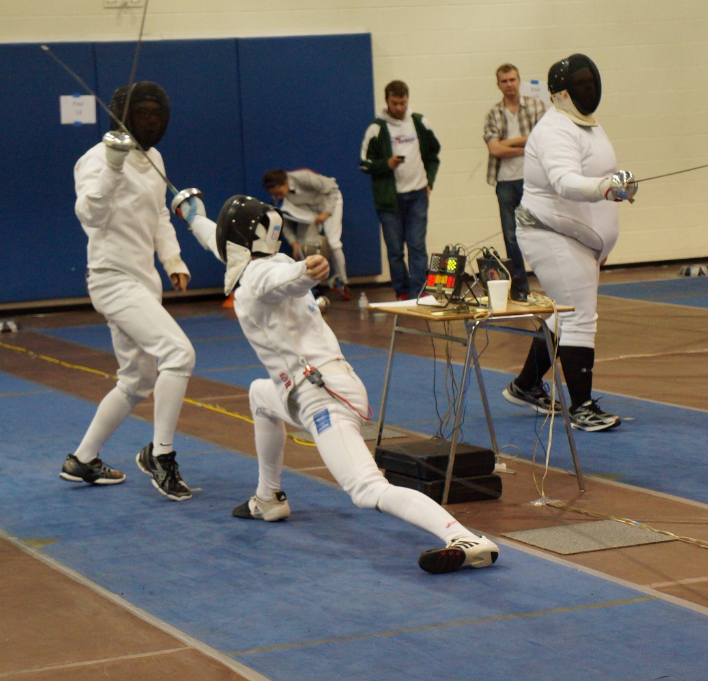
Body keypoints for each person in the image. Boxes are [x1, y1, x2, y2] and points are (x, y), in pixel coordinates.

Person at [172, 192, 499, 574]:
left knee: (366, 489)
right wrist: (193, 215)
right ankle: (268, 498)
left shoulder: (264, 274)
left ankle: (464, 537)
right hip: (305, 388)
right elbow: (219, 239)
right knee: (260, 395)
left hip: (323, 396)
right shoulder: (254, 262)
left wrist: (306, 271)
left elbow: (281, 280)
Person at [58, 81, 196, 500]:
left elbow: (158, 213)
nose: (152, 122)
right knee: (179, 353)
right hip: (111, 278)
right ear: (122, 116)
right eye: (143, 114)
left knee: (137, 380)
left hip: (143, 280)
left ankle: (82, 460)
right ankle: (161, 455)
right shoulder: (95, 159)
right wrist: (113, 168)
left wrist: (172, 259)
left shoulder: (154, 157)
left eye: (157, 115)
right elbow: (90, 216)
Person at [501, 54, 637, 432]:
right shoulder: (554, 129)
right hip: (551, 234)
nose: (588, 90)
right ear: (561, 94)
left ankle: (526, 385)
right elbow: (565, 182)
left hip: (575, 239)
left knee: (560, 317)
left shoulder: (586, 126)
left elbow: (598, 174)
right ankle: (582, 407)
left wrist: (617, 185)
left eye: (590, 83)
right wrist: (604, 188)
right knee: (578, 316)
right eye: (580, 85)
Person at [359, 81, 440, 301]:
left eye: (403, 102)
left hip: (417, 194)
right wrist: (387, 164)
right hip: (389, 199)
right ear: (387, 101)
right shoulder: (376, 129)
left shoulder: (420, 122)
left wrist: (429, 181)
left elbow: (434, 154)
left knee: (417, 246)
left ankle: (419, 292)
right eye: (395, 103)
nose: (400, 107)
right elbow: (364, 164)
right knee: (395, 251)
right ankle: (403, 291)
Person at [483, 63, 546, 302]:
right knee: (511, 237)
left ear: (519, 80)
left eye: (512, 80)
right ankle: (520, 288)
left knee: (539, 232)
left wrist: (508, 143)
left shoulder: (536, 106)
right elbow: (495, 149)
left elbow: (540, 142)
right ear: (498, 85)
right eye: (504, 81)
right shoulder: (493, 114)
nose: (509, 85)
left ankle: (548, 280)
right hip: (505, 182)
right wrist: (525, 142)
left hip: (533, 180)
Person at [263, 168, 350, 300]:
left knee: (333, 242)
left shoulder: (302, 178)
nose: (278, 197)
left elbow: (332, 189)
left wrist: (327, 213)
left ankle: (342, 282)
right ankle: (313, 286)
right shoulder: (278, 199)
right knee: (303, 247)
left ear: (286, 183)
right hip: (309, 210)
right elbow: (285, 222)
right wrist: (294, 243)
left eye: (280, 193)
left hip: (330, 202)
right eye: (275, 195)